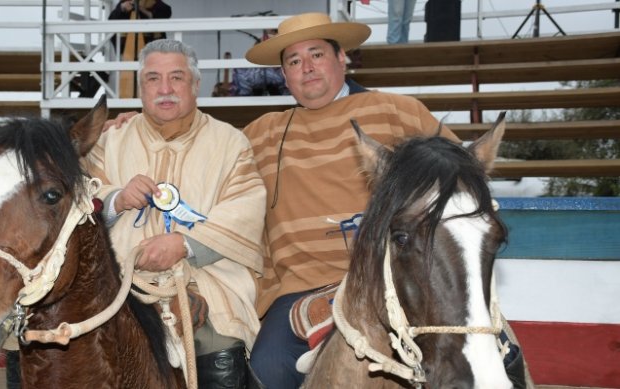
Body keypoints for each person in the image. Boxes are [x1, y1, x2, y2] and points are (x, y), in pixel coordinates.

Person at [241, 12, 528, 389]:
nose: (306, 68)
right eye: (293, 61)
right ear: (284, 75)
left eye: (316, 54)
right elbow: (207, 156)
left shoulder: (397, 109)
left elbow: (460, 174)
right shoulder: (262, 133)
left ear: (342, 57)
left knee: (506, 361)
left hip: (404, 277)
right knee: (266, 368)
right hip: (301, 286)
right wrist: (139, 124)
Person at [85, 39, 266, 388]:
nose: (165, 89)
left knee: (219, 339)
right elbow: (79, 193)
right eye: (153, 78)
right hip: (119, 281)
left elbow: (244, 209)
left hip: (203, 280)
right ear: (141, 88)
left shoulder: (230, 143)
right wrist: (115, 198)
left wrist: (186, 244)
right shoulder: (110, 141)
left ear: (196, 85)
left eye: (177, 78)